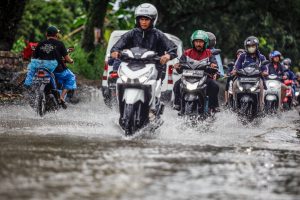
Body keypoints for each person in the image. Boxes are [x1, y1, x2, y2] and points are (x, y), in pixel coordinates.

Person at [110, 3, 177, 116]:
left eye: (147, 19)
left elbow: (173, 48)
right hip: (132, 66)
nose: (144, 22)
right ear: (137, 20)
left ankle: (153, 109)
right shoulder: (131, 33)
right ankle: (120, 109)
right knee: (119, 80)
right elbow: (116, 46)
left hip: (154, 67)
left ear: (153, 20)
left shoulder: (158, 35)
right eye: (141, 19)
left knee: (156, 88)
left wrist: (167, 56)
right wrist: (115, 52)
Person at [24, 26, 76, 108]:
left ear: (46, 34)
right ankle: (62, 97)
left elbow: (34, 58)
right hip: (57, 70)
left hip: (41, 69)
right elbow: (67, 58)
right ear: (56, 35)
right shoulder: (60, 44)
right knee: (71, 77)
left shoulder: (40, 44)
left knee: (34, 79)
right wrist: (71, 61)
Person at [173, 30, 219, 112]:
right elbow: (180, 66)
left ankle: (213, 106)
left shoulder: (209, 53)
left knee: (214, 86)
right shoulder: (187, 53)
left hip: (204, 77)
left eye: (201, 42)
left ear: (205, 43)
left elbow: (215, 65)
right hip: (187, 77)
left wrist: (213, 65)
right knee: (177, 85)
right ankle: (177, 104)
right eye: (196, 42)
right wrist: (178, 66)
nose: (198, 44)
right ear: (193, 42)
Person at [232, 36, 268, 111]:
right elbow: (237, 66)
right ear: (246, 47)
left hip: (256, 79)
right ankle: (234, 103)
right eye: (249, 46)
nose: (251, 47)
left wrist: (264, 72)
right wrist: (235, 71)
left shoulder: (261, 57)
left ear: (256, 46)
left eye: (253, 46)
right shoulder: (242, 56)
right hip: (242, 78)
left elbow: (265, 69)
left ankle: (261, 104)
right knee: (234, 83)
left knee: (261, 84)